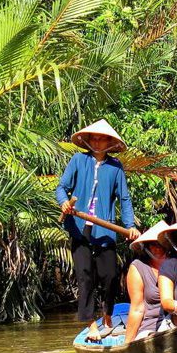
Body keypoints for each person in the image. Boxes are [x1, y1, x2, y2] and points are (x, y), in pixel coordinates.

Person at [56, 119, 140, 341]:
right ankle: (92, 324)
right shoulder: (78, 160)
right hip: (79, 227)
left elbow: (124, 197)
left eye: (102, 138)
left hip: (104, 229)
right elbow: (62, 188)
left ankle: (108, 315)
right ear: (88, 140)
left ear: (109, 142)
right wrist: (64, 202)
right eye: (94, 137)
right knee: (84, 276)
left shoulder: (115, 167)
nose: (98, 141)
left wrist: (130, 225)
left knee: (110, 275)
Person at [124, 220, 170, 342]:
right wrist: (127, 344)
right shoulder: (138, 267)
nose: (158, 248)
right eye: (153, 244)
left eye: (161, 244)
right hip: (151, 325)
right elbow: (137, 309)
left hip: (176, 320)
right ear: (147, 246)